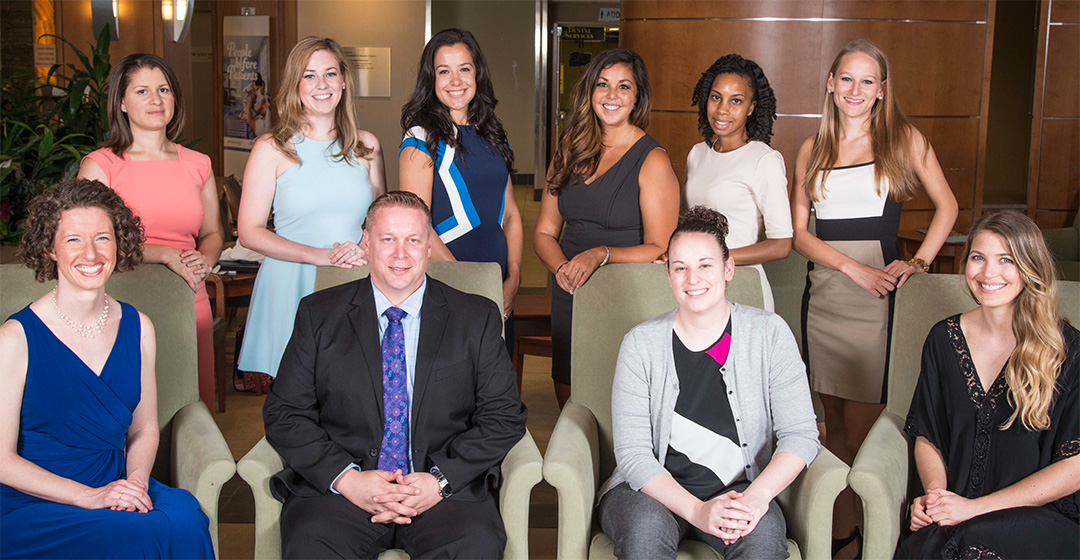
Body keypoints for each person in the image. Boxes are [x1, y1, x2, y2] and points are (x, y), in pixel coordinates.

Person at [263, 191, 527, 558]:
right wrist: (347, 479)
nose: (401, 254)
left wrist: (439, 482)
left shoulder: (476, 317)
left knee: (474, 547)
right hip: (343, 493)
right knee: (311, 546)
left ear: (429, 246)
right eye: (388, 239)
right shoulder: (318, 314)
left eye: (413, 240)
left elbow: (504, 417)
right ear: (367, 243)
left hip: (441, 492)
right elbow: (285, 412)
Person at [791, 39, 958, 554]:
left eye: (868, 81)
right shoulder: (811, 146)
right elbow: (800, 235)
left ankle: (872, 536)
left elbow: (947, 207)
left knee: (864, 434)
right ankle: (839, 531)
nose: (855, 90)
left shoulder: (902, 139)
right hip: (823, 297)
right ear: (830, 84)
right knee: (831, 427)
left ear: (882, 90)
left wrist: (919, 262)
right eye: (846, 79)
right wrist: (849, 269)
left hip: (876, 302)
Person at [0, 178, 214, 558]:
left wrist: (136, 483)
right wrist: (89, 497)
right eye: (73, 240)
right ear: (49, 249)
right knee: (131, 536)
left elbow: (145, 428)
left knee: (184, 522)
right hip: (37, 499)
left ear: (119, 244)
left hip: (117, 481)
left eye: (102, 238)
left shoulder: (139, 327)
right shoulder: (15, 338)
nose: (91, 253)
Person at [598, 206, 819, 559]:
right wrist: (697, 511)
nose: (692, 279)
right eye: (680, 267)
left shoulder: (769, 334)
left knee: (762, 545)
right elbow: (633, 454)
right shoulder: (640, 343)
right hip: (651, 492)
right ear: (667, 274)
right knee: (644, 537)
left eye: (705, 265)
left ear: (728, 268)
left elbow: (801, 435)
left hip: (739, 489)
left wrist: (756, 498)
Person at [897, 210, 1079, 559]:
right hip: (958, 513)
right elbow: (928, 434)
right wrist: (937, 497)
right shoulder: (944, 339)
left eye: (1006, 260)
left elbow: (1075, 468)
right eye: (978, 258)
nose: (988, 273)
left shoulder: (1068, 351)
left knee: (969, 546)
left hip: (1043, 518)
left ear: (1031, 268)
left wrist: (974, 509)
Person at [534, 48, 680, 408]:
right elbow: (545, 232)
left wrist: (601, 255)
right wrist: (563, 270)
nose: (612, 95)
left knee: (621, 402)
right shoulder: (566, 152)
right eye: (603, 84)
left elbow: (661, 246)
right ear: (589, 92)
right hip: (570, 289)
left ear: (637, 97)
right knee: (569, 397)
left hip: (624, 293)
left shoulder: (653, 159)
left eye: (624, 86)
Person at [236, 36, 386, 388]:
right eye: (309, 76)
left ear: (344, 80)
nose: (322, 85)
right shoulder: (271, 148)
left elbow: (381, 222)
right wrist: (319, 257)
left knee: (354, 397)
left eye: (330, 74)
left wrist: (362, 249)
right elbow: (250, 231)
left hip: (353, 280)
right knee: (295, 404)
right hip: (291, 283)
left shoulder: (367, 146)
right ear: (295, 85)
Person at [79, 53, 224, 412]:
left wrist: (201, 261)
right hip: (122, 298)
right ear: (122, 102)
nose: (156, 100)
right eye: (142, 91)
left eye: (163, 89)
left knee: (190, 407)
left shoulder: (198, 164)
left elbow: (212, 233)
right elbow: (88, 241)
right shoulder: (101, 166)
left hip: (188, 296)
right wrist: (163, 253)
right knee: (126, 407)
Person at [399, 28, 522, 355]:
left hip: (496, 279)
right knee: (453, 384)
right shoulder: (421, 137)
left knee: (493, 380)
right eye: (444, 71)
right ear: (431, 78)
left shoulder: (493, 134)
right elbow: (416, 225)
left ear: (477, 74)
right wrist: (464, 283)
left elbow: (509, 214)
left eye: (464, 69)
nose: (456, 80)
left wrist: (514, 278)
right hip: (449, 279)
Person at [685, 54, 790, 312]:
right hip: (698, 286)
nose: (722, 110)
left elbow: (782, 245)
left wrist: (718, 259)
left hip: (743, 284)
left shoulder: (764, 160)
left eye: (736, 101)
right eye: (716, 97)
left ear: (752, 107)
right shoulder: (697, 153)